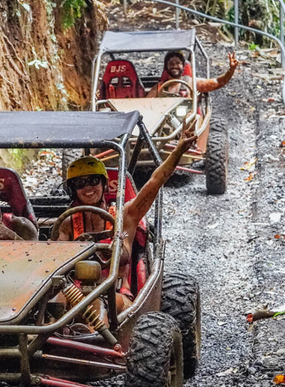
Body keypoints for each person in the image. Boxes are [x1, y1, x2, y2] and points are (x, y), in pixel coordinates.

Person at [56, 117, 198, 312]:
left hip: (116, 297)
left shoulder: (125, 216)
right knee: (54, 302)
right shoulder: (68, 223)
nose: (88, 188)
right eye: (80, 184)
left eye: (93, 181)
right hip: (75, 294)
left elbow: (155, 182)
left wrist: (178, 151)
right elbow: (54, 264)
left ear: (105, 184)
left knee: (95, 304)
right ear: (73, 190)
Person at [146, 51, 239, 97]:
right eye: (171, 63)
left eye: (178, 63)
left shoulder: (191, 82)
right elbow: (145, 105)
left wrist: (231, 70)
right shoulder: (159, 88)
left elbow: (218, 82)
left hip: (188, 123)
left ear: (183, 66)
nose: (174, 66)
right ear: (166, 67)